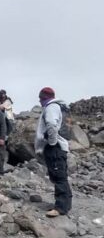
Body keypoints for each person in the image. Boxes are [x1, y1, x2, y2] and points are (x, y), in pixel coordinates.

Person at [35, 87, 72, 217]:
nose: (39, 101)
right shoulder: (59, 107)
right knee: (60, 175)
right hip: (59, 147)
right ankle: (66, 204)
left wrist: (51, 142)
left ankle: (60, 207)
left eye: (40, 98)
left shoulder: (51, 107)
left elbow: (51, 124)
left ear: (44, 97)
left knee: (58, 176)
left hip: (55, 147)